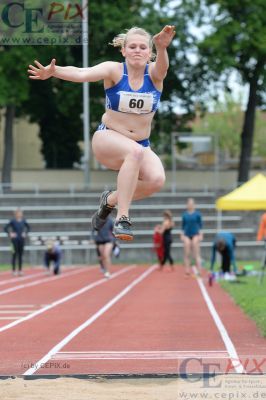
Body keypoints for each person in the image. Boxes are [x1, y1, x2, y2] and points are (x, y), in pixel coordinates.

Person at [28, 25, 175, 241]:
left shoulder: (154, 74)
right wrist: (54, 71)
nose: (137, 50)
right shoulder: (114, 70)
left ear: (149, 53)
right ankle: (122, 218)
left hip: (141, 144)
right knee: (133, 153)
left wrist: (162, 47)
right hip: (108, 138)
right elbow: (82, 73)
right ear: (123, 50)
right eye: (132, 46)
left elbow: (163, 68)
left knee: (156, 180)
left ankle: (110, 200)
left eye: (143, 47)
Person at [4, 208, 30, 276]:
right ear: (15, 214)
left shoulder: (24, 221)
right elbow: (5, 228)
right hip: (14, 241)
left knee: (20, 255)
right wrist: (10, 233)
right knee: (14, 255)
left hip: (21, 240)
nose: (19, 214)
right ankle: (13, 270)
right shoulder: (12, 221)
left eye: (20, 213)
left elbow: (28, 228)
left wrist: (25, 233)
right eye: (18, 213)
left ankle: (20, 270)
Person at [180, 198, 203, 276]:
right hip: (187, 234)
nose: (190, 205)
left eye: (191, 204)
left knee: (196, 253)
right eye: (189, 204)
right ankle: (187, 270)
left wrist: (201, 235)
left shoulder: (197, 214)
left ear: (194, 205)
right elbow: (183, 226)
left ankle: (199, 270)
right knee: (187, 253)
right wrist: (182, 235)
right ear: (187, 205)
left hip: (195, 234)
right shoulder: (184, 215)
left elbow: (200, 225)